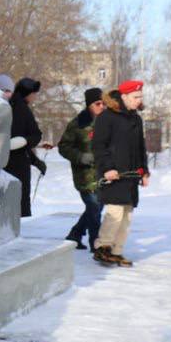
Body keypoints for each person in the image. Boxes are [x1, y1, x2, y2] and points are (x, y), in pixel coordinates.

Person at [91, 80, 150, 267]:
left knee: (127, 215)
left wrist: (145, 171)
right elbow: (99, 146)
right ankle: (103, 248)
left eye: (140, 97)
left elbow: (141, 148)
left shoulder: (136, 119)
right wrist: (107, 168)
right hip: (114, 175)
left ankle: (116, 251)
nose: (138, 101)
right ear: (124, 97)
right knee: (114, 212)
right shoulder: (107, 117)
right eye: (135, 97)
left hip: (131, 176)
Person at [58, 88, 106, 250]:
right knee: (94, 208)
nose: (102, 106)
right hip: (84, 175)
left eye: (104, 103)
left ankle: (75, 234)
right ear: (89, 105)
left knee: (97, 207)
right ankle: (96, 243)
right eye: (97, 103)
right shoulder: (78, 123)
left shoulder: (106, 122)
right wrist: (81, 157)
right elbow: (63, 147)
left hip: (102, 173)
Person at [4, 77, 46, 218]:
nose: (35, 97)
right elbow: (35, 135)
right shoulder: (23, 109)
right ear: (28, 93)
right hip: (19, 165)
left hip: (3, 164)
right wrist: (26, 141)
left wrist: (35, 161)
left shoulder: (7, 106)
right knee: (20, 205)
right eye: (34, 93)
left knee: (6, 203)